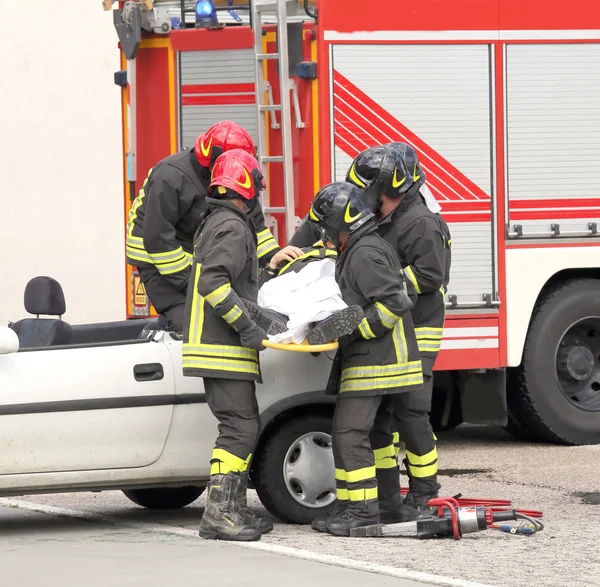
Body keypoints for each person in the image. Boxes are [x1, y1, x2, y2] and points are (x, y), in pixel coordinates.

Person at [305, 182, 424, 536]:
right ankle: (382, 506)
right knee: (373, 435)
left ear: (342, 224)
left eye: (328, 228)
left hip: (377, 360)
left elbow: (396, 304)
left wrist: (353, 331)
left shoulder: (364, 253)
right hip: (379, 358)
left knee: (348, 432)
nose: (326, 236)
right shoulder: (361, 246)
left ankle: (361, 511)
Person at [181, 149, 282, 542]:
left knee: (243, 423)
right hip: (222, 347)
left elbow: (229, 284)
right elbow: (214, 285)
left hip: (216, 347)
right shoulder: (235, 228)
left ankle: (234, 508)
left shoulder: (217, 223)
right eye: (256, 186)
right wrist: (247, 327)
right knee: (239, 429)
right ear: (247, 187)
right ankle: (220, 514)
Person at [346, 143, 452, 518]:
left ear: (387, 187)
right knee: (381, 420)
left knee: (412, 416)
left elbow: (429, 275)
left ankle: (425, 494)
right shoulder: (388, 219)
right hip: (394, 334)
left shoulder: (420, 222)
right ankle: (389, 497)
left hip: (418, 333)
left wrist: (377, 281)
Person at [126, 120, 281, 333]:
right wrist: (195, 285)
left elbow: (255, 226)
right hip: (156, 258)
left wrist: (276, 259)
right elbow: (158, 241)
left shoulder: (238, 174)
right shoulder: (171, 177)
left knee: (225, 311)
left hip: (196, 255)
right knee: (189, 320)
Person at [242, 240, 365, 346]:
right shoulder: (295, 252)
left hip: (323, 288)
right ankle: (276, 319)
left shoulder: (350, 256)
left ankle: (323, 325)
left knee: (327, 302)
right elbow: (262, 289)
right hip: (290, 285)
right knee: (276, 301)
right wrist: (273, 263)